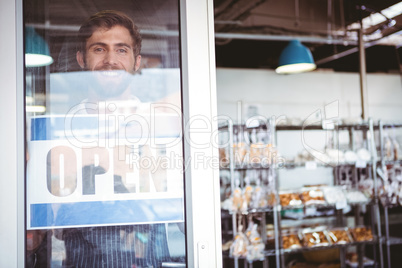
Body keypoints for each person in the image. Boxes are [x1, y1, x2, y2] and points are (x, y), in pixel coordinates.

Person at [56, 10, 177, 268]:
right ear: (81, 59)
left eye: (122, 50)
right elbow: (47, 229)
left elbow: (184, 216)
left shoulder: (160, 128)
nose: (111, 60)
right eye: (99, 49)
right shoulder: (59, 133)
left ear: (136, 62)